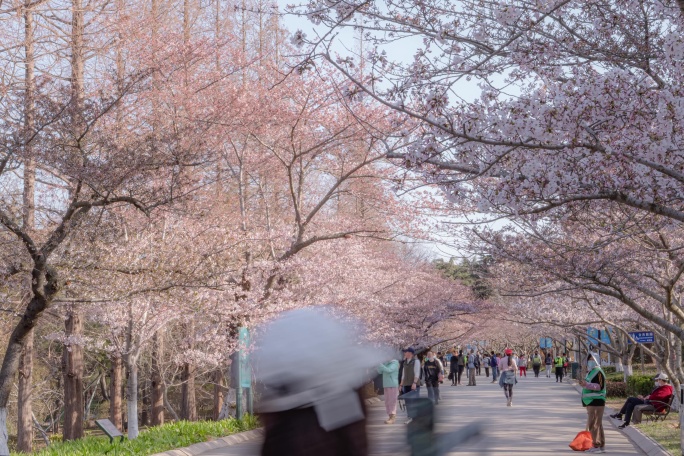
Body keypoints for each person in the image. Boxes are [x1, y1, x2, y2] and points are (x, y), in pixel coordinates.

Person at [579, 352, 606, 453]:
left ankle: (596, 445)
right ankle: (601, 444)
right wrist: (585, 384)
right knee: (597, 424)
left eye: (592, 360)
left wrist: (587, 385)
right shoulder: (591, 372)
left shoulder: (598, 371)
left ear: (596, 361)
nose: (590, 362)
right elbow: (589, 384)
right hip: (591, 401)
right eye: (589, 360)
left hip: (597, 401)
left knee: (594, 424)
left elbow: (600, 386)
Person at [400, 347, 422, 425]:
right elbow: (403, 374)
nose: (404, 353)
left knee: (414, 401)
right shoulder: (404, 362)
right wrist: (401, 384)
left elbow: (417, 373)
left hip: (413, 384)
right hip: (406, 384)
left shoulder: (416, 361)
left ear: (410, 353)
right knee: (408, 402)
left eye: (405, 352)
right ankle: (410, 416)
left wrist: (414, 383)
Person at [377, 358, 400, 424]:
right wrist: (377, 365)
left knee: (392, 401)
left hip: (392, 384)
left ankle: (393, 417)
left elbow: (389, 370)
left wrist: (381, 365)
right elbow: (380, 371)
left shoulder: (395, 363)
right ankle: (390, 416)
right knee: (387, 401)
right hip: (386, 384)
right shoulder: (386, 363)